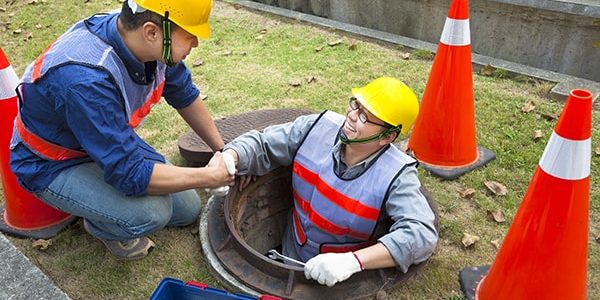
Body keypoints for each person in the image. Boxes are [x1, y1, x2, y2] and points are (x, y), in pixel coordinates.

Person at [9, 0, 234, 260]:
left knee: (187, 208)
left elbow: (183, 92)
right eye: (190, 35)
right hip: (52, 162)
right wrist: (209, 177)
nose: (196, 43)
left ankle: (101, 200)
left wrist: (222, 149)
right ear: (151, 32)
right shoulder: (85, 80)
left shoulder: (146, 37)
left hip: (102, 141)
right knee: (151, 213)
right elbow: (131, 174)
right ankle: (102, 225)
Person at [220, 77, 438, 287]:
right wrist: (230, 157)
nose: (352, 116)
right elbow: (263, 143)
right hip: (291, 250)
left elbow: (420, 235)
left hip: (341, 277)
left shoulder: (397, 176)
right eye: (355, 105)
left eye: (365, 116)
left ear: (388, 137)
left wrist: (353, 262)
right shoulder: (317, 128)